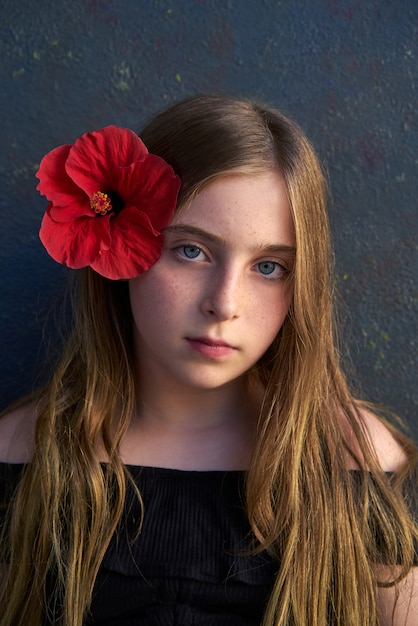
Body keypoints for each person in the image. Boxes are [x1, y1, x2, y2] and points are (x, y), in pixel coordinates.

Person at [0, 94, 416, 626]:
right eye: (191, 251)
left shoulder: (355, 462)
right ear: (123, 247)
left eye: (268, 266)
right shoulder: (27, 456)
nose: (225, 303)